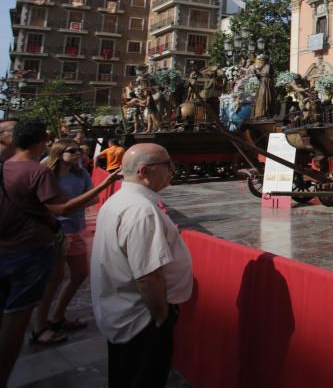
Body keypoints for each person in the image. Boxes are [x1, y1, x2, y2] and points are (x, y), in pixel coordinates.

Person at [0, 120, 119, 386]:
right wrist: (105, 185)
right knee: (16, 317)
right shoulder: (40, 172)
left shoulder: (4, 167)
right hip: (34, 246)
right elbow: (62, 209)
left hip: (10, 246)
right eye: (72, 151)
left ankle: (53, 319)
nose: (78, 155)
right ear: (43, 142)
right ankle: (32, 337)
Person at [91, 143, 192, 388]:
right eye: (167, 165)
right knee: (143, 376)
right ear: (145, 171)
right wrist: (160, 317)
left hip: (122, 311)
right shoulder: (141, 211)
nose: (172, 170)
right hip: (141, 319)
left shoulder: (120, 201)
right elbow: (148, 275)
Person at [31, 139, 116, 344]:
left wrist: (69, 206)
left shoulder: (81, 173)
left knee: (79, 274)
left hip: (76, 228)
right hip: (55, 231)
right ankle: (39, 326)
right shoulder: (46, 173)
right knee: (54, 279)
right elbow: (46, 204)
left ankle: (57, 316)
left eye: (79, 150)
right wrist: (66, 207)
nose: (78, 154)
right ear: (59, 154)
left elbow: (93, 198)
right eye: (72, 151)